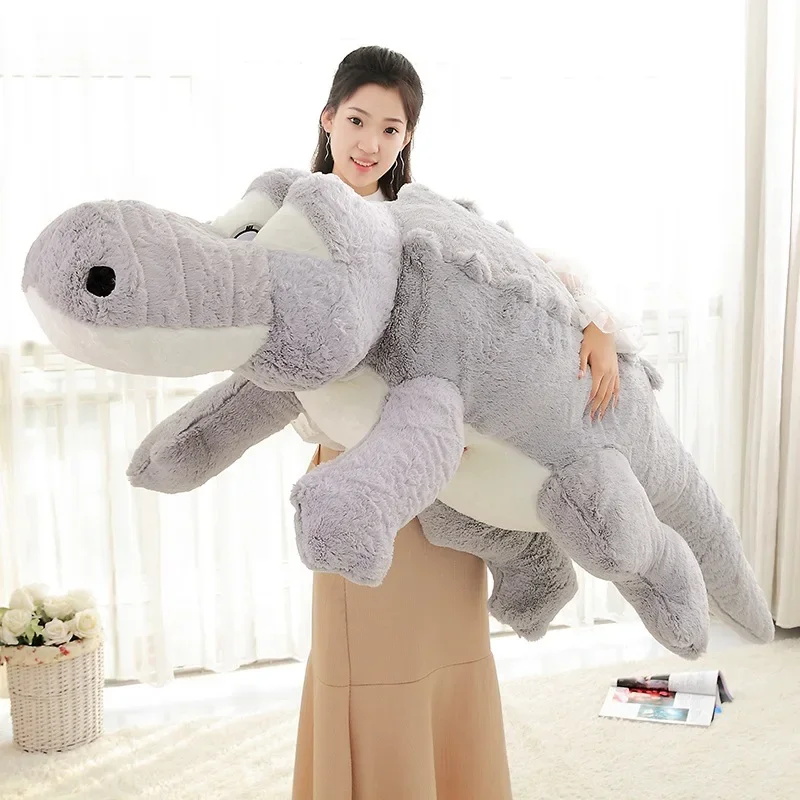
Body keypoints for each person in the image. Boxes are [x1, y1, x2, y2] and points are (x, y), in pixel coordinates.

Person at [290, 46, 642, 800]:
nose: (370, 143)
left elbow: (534, 270)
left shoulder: (424, 223)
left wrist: (597, 324)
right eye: (357, 120)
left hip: (448, 489)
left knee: (447, 659)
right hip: (362, 487)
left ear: (407, 138)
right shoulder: (292, 228)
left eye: (391, 129)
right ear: (328, 119)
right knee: (365, 666)